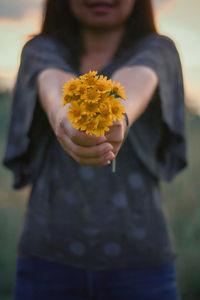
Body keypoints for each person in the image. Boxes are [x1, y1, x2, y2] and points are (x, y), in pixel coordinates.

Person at [3, 0, 187, 299]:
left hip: (142, 267)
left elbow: (140, 77)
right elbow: (52, 81)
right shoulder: (40, 49)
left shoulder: (159, 49)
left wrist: (118, 115)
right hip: (46, 263)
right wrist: (65, 114)